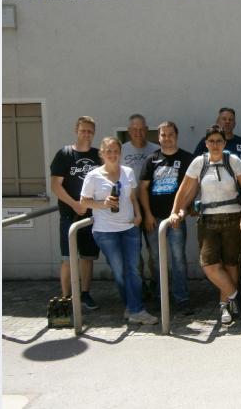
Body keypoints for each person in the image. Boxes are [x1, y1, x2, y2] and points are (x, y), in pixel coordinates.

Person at [170, 125, 241, 324]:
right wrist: (175, 211)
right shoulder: (199, 162)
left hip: (233, 217)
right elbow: (184, 189)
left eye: (219, 141)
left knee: (230, 263)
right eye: (211, 141)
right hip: (208, 218)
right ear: (206, 143)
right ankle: (236, 294)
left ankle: (226, 306)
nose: (215, 145)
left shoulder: (233, 161)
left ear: (224, 143)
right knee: (208, 264)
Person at [80, 137, 158, 325]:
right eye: (108, 151)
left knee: (133, 271)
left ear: (120, 153)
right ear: (101, 153)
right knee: (119, 272)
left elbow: (132, 196)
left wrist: (138, 215)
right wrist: (103, 203)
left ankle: (135, 309)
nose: (112, 154)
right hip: (106, 232)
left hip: (129, 227)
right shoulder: (93, 176)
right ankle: (132, 307)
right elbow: (84, 202)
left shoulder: (128, 172)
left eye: (115, 151)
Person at [139, 121, 195, 315]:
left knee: (178, 258)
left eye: (170, 134)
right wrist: (147, 214)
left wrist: (183, 210)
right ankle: (160, 296)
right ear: (159, 137)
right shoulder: (151, 160)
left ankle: (182, 297)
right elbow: (143, 189)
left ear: (176, 136)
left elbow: (192, 188)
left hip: (176, 219)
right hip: (154, 220)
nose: (167, 138)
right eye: (163, 135)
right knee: (156, 258)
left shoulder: (187, 158)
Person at [49, 116, 101, 310]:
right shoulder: (65, 154)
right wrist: (74, 204)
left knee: (87, 258)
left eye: (89, 131)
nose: (86, 134)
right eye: (83, 130)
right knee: (67, 259)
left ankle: (85, 294)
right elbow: (56, 185)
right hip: (70, 216)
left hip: (91, 216)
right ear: (76, 131)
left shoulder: (98, 155)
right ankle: (66, 297)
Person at [120, 114, 161, 295]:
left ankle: (157, 284)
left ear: (146, 130)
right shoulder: (120, 151)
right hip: (129, 211)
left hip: (152, 209)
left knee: (155, 252)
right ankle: (140, 286)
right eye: (134, 129)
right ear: (129, 131)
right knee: (134, 254)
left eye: (141, 128)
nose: (138, 132)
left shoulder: (156, 149)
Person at [193, 107, 241, 171]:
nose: (227, 122)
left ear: (234, 123)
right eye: (224, 119)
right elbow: (195, 164)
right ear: (217, 122)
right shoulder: (207, 141)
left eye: (230, 119)